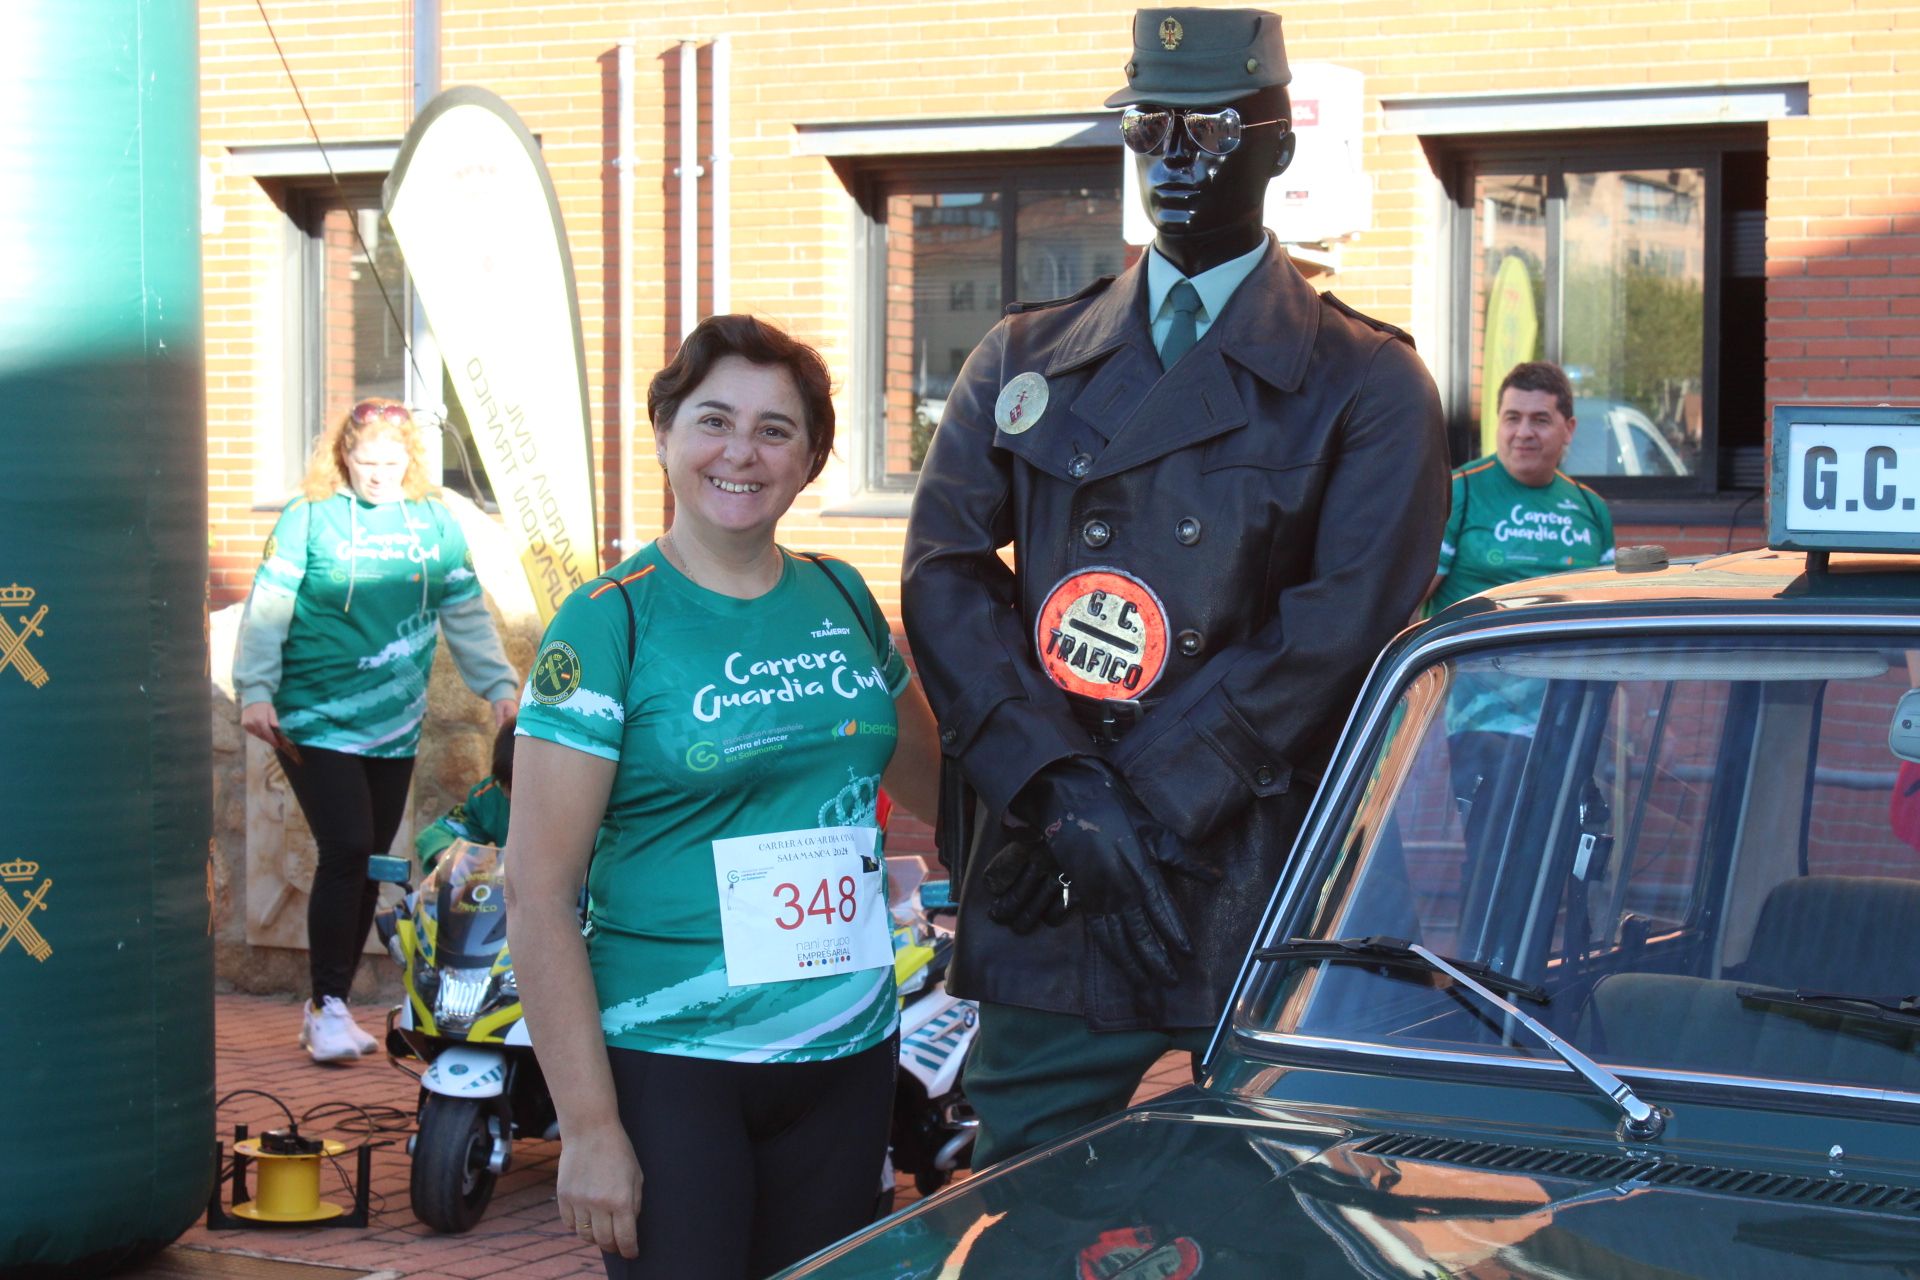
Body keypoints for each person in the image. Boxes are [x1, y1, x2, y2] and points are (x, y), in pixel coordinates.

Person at [900, 7, 1449, 1169]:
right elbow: (947, 576)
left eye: (1212, 131)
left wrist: (1135, 805)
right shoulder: (1022, 355)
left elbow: (1340, 631)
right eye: (1153, 130)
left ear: (1280, 146)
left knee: (1284, 1209)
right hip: (1055, 873)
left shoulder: (1366, 380)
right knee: (1028, 1204)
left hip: (1260, 869)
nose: (1177, 162)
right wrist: (1058, 790)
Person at [505, 314, 942, 1278]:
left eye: (775, 430)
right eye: (713, 421)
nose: (740, 452)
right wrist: (586, 1127)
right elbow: (536, 896)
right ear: (664, 433)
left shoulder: (842, 596)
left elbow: (941, 787)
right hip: (673, 1058)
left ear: (811, 458)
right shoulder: (608, 621)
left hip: (845, 1045)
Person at [234, 398, 519, 1064]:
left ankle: (324, 1011)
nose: (379, 474)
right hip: (314, 713)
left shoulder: (433, 525)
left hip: (393, 721)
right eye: (367, 460)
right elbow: (270, 605)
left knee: (367, 861)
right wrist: (255, 689)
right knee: (349, 846)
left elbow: (466, 614)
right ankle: (329, 1004)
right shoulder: (311, 519)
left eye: (392, 462)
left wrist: (500, 686)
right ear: (344, 456)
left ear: (411, 461)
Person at [1421, 361, 1614, 860]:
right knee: (1493, 859)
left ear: (1568, 428)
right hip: (1480, 720)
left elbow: (1611, 618)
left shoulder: (1592, 509)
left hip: (1568, 719)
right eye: (1511, 418)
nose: (1523, 432)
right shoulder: (1459, 492)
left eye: (1540, 419)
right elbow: (1406, 602)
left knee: (1562, 864)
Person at [414, 716, 517, 873]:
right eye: (508, 793)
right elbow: (435, 834)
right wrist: (448, 854)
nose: (512, 799)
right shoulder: (490, 795)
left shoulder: (566, 802)